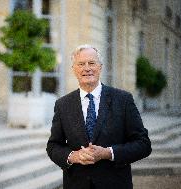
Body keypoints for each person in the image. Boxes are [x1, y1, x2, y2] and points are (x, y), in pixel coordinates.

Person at [46, 44, 151, 189]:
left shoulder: (123, 100)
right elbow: (53, 146)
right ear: (74, 70)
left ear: (100, 67)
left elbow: (143, 144)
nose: (87, 68)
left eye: (92, 63)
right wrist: (73, 156)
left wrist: (108, 153)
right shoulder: (63, 104)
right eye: (81, 64)